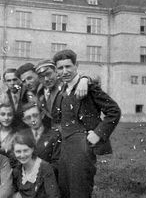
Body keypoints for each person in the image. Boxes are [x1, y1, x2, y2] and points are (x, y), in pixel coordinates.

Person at [53, 49, 121, 198]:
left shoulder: (88, 88)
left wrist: (98, 134)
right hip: (65, 149)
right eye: (60, 68)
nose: (65, 71)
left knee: (80, 192)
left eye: (68, 66)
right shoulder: (63, 88)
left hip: (83, 148)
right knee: (64, 190)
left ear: (76, 65)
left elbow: (114, 111)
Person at [12, 131, 60, 198]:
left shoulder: (44, 168)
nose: (22, 155)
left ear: (32, 149)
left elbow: (54, 196)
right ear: (14, 152)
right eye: (18, 152)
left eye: (25, 150)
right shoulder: (17, 171)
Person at [19, 102, 61, 172]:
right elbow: (16, 163)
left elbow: (57, 164)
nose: (33, 120)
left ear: (42, 115)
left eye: (35, 115)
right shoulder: (22, 136)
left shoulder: (54, 135)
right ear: (24, 121)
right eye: (28, 118)